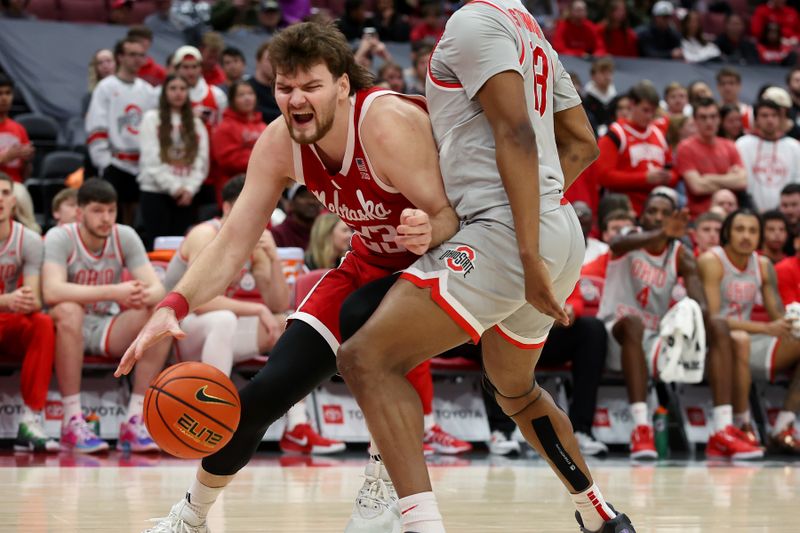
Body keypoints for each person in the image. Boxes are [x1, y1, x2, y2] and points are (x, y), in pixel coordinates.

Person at [116, 22, 461, 533]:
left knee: (373, 336)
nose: (295, 98)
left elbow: (451, 216)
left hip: (441, 265)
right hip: (367, 266)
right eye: (284, 86)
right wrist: (174, 304)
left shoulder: (386, 122)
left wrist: (429, 226)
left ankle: (386, 472)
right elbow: (233, 240)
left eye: (310, 86)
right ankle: (190, 518)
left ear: (343, 85)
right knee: (260, 397)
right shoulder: (280, 142)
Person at [335, 1, 635, 531]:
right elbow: (582, 143)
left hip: (506, 234)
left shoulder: (473, 22)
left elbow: (516, 133)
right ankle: (599, 515)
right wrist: (538, 223)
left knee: (366, 359)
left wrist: (522, 249)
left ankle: (419, 523)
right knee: (514, 388)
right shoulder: (530, 31)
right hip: (558, 228)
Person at [600, 192, 762, 461]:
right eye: (653, 211)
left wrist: (703, 322)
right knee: (633, 323)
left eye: (666, 214)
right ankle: (641, 428)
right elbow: (617, 243)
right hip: (614, 333)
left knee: (719, 325)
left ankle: (722, 431)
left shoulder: (680, 254)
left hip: (655, 340)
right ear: (642, 216)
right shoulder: (628, 238)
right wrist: (663, 232)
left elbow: (702, 306)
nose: (659, 217)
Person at [43, 178, 170, 453]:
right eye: (98, 211)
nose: (106, 218)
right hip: (62, 327)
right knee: (69, 310)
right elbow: (51, 291)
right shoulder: (61, 237)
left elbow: (157, 286)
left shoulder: (123, 235)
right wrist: (114, 291)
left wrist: (145, 296)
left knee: (161, 317)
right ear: (79, 213)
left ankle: (135, 420)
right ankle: (71, 420)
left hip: (104, 326)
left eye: (111, 211)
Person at [164, 176, 287, 377]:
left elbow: (278, 304)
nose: (257, 217)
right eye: (250, 209)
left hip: (214, 331)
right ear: (228, 209)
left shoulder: (255, 240)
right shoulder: (205, 234)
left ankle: (295, 408)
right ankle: (214, 403)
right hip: (173, 329)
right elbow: (197, 302)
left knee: (288, 324)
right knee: (224, 320)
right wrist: (257, 308)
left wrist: (274, 260)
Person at [699, 209, 800, 454]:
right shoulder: (712, 261)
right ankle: (743, 424)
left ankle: (783, 425)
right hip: (714, 345)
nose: (746, 236)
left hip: (747, 341)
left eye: (753, 231)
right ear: (727, 233)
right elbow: (714, 319)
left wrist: (794, 320)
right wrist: (765, 327)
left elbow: (778, 316)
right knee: (739, 338)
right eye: (740, 229)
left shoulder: (764, 265)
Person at [0, 174, 58, 452]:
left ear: (14, 200)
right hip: (5, 306)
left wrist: (25, 301)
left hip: (9, 320)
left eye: (4, 192)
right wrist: (7, 300)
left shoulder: (29, 240)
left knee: (42, 323)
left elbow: (34, 297)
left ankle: (30, 418)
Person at [86, 37, 158, 225]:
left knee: (133, 220)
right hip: (115, 164)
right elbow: (96, 126)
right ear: (120, 57)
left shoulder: (148, 91)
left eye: (141, 55)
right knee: (110, 217)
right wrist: (104, 162)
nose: (137, 60)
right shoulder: (106, 87)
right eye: (132, 54)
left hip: (141, 166)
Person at [138, 75, 210, 251]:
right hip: (156, 192)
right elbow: (151, 158)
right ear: (164, 92)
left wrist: (189, 189)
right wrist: (174, 188)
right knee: (156, 247)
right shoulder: (151, 119)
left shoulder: (196, 123)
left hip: (186, 196)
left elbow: (202, 161)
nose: (178, 93)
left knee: (181, 248)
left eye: (182, 88)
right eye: (173, 88)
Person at [595, 81, 675, 215]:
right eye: (645, 110)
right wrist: (644, 178)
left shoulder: (658, 133)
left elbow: (673, 170)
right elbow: (604, 176)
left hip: (656, 210)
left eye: (653, 112)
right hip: (624, 210)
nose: (649, 116)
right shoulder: (615, 134)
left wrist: (668, 177)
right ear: (632, 105)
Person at [676, 98, 746, 218]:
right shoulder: (685, 148)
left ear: (719, 119)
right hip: (699, 218)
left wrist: (709, 178)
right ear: (695, 120)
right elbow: (697, 187)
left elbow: (742, 182)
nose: (709, 122)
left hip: (730, 217)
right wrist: (729, 179)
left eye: (713, 117)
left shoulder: (730, 145)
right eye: (703, 117)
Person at [737, 99, 800, 214]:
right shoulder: (742, 144)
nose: (770, 120)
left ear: (781, 119)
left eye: (774, 115)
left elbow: (797, 181)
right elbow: (741, 183)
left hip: (786, 214)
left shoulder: (794, 147)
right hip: (751, 211)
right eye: (764, 115)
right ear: (756, 119)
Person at [212, 81, 266, 188]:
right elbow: (228, 161)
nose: (247, 98)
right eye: (241, 95)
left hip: (262, 184)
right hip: (234, 187)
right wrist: (263, 159)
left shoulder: (263, 126)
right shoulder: (225, 128)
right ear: (232, 100)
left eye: (250, 94)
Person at [172, 45, 228, 132]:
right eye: (185, 67)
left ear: (200, 68)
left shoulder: (217, 95)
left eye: (194, 67)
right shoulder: (163, 94)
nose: (190, 72)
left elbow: (223, 129)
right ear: (176, 69)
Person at [0, 74, 33, 183]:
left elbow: (26, 176)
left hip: (15, 186)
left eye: (8, 93)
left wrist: (27, 161)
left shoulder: (19, 129)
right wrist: (5, 158)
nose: (4, 98)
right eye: (0, 93)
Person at [269, 184, 319, 250]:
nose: (311, 201)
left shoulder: (325, 233)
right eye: (304, 196)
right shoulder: (277, 234)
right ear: (291, 203)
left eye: (315, 197)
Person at [582, 57, 617, 134]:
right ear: (593, 76)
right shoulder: (586, 100)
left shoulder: (615, 99)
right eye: (603, 72)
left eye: (609, 72)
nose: (607, 76)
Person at [248, 41, 280, 124]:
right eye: (269, 60)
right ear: (258, 61)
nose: (274, 64)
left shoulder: (282, 89)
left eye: (277, 60)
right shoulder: (246, 88)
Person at [717, 68, 752, 132]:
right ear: (718, 87)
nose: (727, 88)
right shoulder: (713, 112)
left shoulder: (749, 112)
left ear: (739, 86)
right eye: (723, 84)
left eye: (731, 83)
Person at [83, 49, 116, 116]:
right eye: (100, 63)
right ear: (96, 69)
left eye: (109, 61)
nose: (105, 66)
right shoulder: (90, 98)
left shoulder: (130, 89)